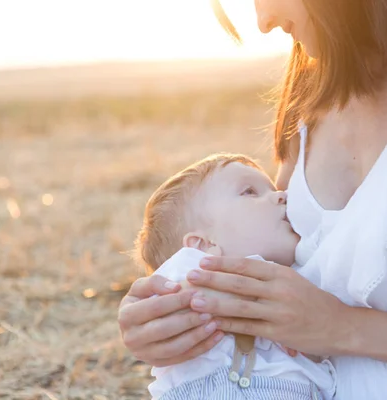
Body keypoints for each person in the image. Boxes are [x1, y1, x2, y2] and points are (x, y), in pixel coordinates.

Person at [118, 1, 387, 399]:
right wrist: (168, 316)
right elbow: (285, 266)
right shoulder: (316, 90)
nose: (264, 20)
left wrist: (347, 329)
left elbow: (319, 318)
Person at [135, 153, 336, 399]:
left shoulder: (299, 278)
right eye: (250, 192)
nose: (281, 195)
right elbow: (169, 307)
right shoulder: (193, 268)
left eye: (271, 189)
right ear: (201, 244)